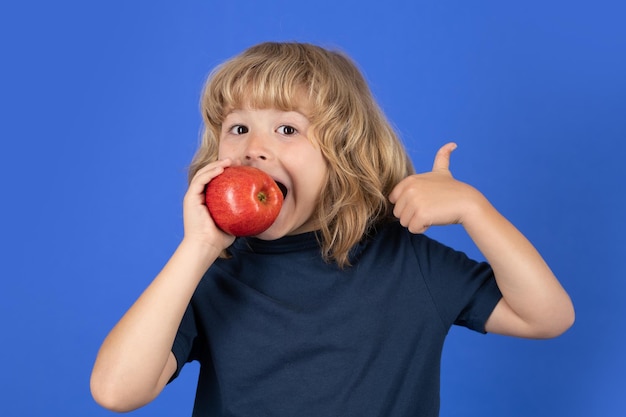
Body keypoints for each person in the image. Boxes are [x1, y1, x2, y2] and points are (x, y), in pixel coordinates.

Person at [90, 42, 575, 416]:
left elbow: (547, 317)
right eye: (238, 128)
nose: (254, 148)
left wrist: (476, 210)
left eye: (287, 129)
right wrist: (195, 249)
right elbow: (116, 391)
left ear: (343, 155)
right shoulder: (211, 275)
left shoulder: (409, 262)